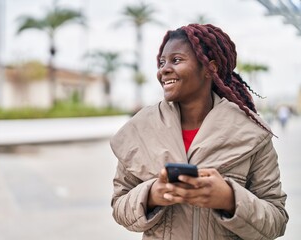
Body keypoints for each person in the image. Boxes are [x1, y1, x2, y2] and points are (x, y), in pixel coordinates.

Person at [110, 23, 288, 239]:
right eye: (161, 62)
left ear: (209, 68)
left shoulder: (251, 133)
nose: (163, 69)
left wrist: (229, 199)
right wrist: (152, 195)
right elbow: (119, 207)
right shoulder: (139, 129)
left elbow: (276, 221)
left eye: (176, 60)